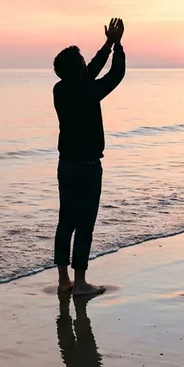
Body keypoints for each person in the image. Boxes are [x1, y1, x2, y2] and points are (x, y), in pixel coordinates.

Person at [52, 18, 125, 295]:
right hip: (87, 168)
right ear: (78, 70)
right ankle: (80, 283)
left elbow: (90, 70)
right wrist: (118, 46)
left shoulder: (60, 89)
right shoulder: (88, 91)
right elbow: (115, 74)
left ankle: (64, 281)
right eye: (82, 62)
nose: (86, 64)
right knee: (84, 225)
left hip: (65, 166)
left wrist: (108, 43)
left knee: (65, 222)